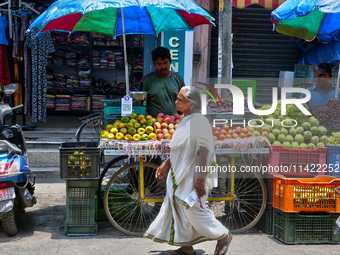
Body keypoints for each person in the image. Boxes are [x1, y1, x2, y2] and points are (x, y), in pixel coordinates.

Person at [144, 87, 232, 255]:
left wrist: (200, 180)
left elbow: (203, 152)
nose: (176, 102)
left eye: (180, 100)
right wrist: (165, 164)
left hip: (193, 176)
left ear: (192, 104)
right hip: (180, 175)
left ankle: (223, 235)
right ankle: (187, 247)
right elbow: (180, 149)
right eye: (177, 98)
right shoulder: (185, 119)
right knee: (179, 209)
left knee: (194, 210)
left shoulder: (198, 122)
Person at [141, 47, 185, 118]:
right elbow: (141, 104)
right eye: (159, 64)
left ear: (170, 61)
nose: (163, 66)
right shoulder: (146, 81)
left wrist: (181, 120)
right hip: (153, 124)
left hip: (174, 124)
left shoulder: (179, 80)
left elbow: (183, 103)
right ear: (154, 64)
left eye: (165, 63)